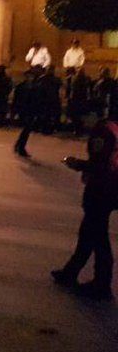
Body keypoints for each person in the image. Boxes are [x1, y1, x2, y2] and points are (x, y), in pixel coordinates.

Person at [52, 106, 117, 301]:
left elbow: (99, 163)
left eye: (84, 115)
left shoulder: (101, 131)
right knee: (88, 233)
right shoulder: (112, 127)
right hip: (110, 187)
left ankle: (102, 284)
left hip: (102, 190)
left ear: (93, 114)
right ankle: (70, 272)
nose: (83, 121)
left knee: (98, 238)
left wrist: (76, 164)